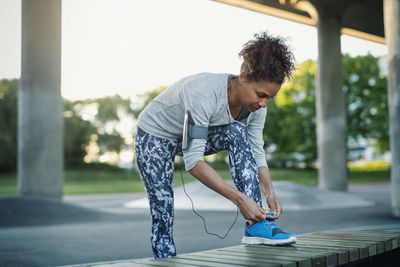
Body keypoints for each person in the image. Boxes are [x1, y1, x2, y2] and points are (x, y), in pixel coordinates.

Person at [135, 31, 296, 259]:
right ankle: (165, 260)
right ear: (243, 77)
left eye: (270, 97)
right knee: (163, 208)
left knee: (236, 131)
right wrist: (241, 200)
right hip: (155, 135)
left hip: (191, 135)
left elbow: (255, 150)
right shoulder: (203, 93)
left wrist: (270, 192)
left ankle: (256, 225)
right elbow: (194, 161)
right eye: (261, 94)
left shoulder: (257, 107)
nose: (263, 103)